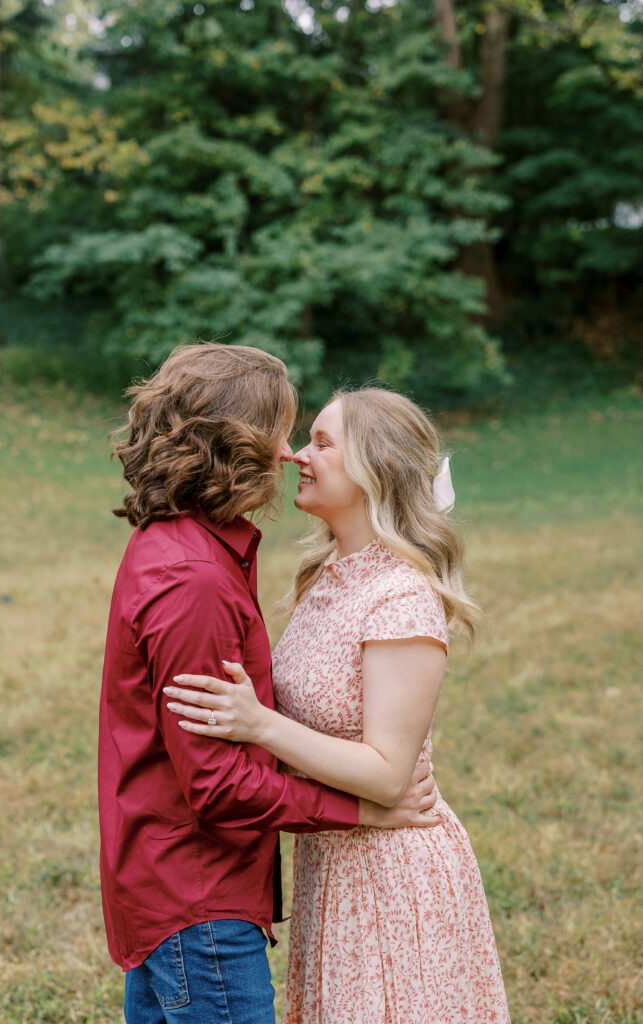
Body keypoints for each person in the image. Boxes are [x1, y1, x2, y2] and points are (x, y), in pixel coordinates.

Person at [98, 346, 440, 1024]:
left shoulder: (206, 552)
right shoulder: (193, 578)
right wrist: (365, 812)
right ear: (236, 443)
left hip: (185, 890)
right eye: (285, 432)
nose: (289, 454)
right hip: (198, 897)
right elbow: (217, 783)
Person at [164, 387, 512, 1024]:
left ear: (373, 469)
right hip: (333, 858)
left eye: (322, 443)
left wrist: (258, 724)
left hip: (391, 870)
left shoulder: (400, 596)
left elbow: (387, 773)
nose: (298, 454)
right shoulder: (328, 574)